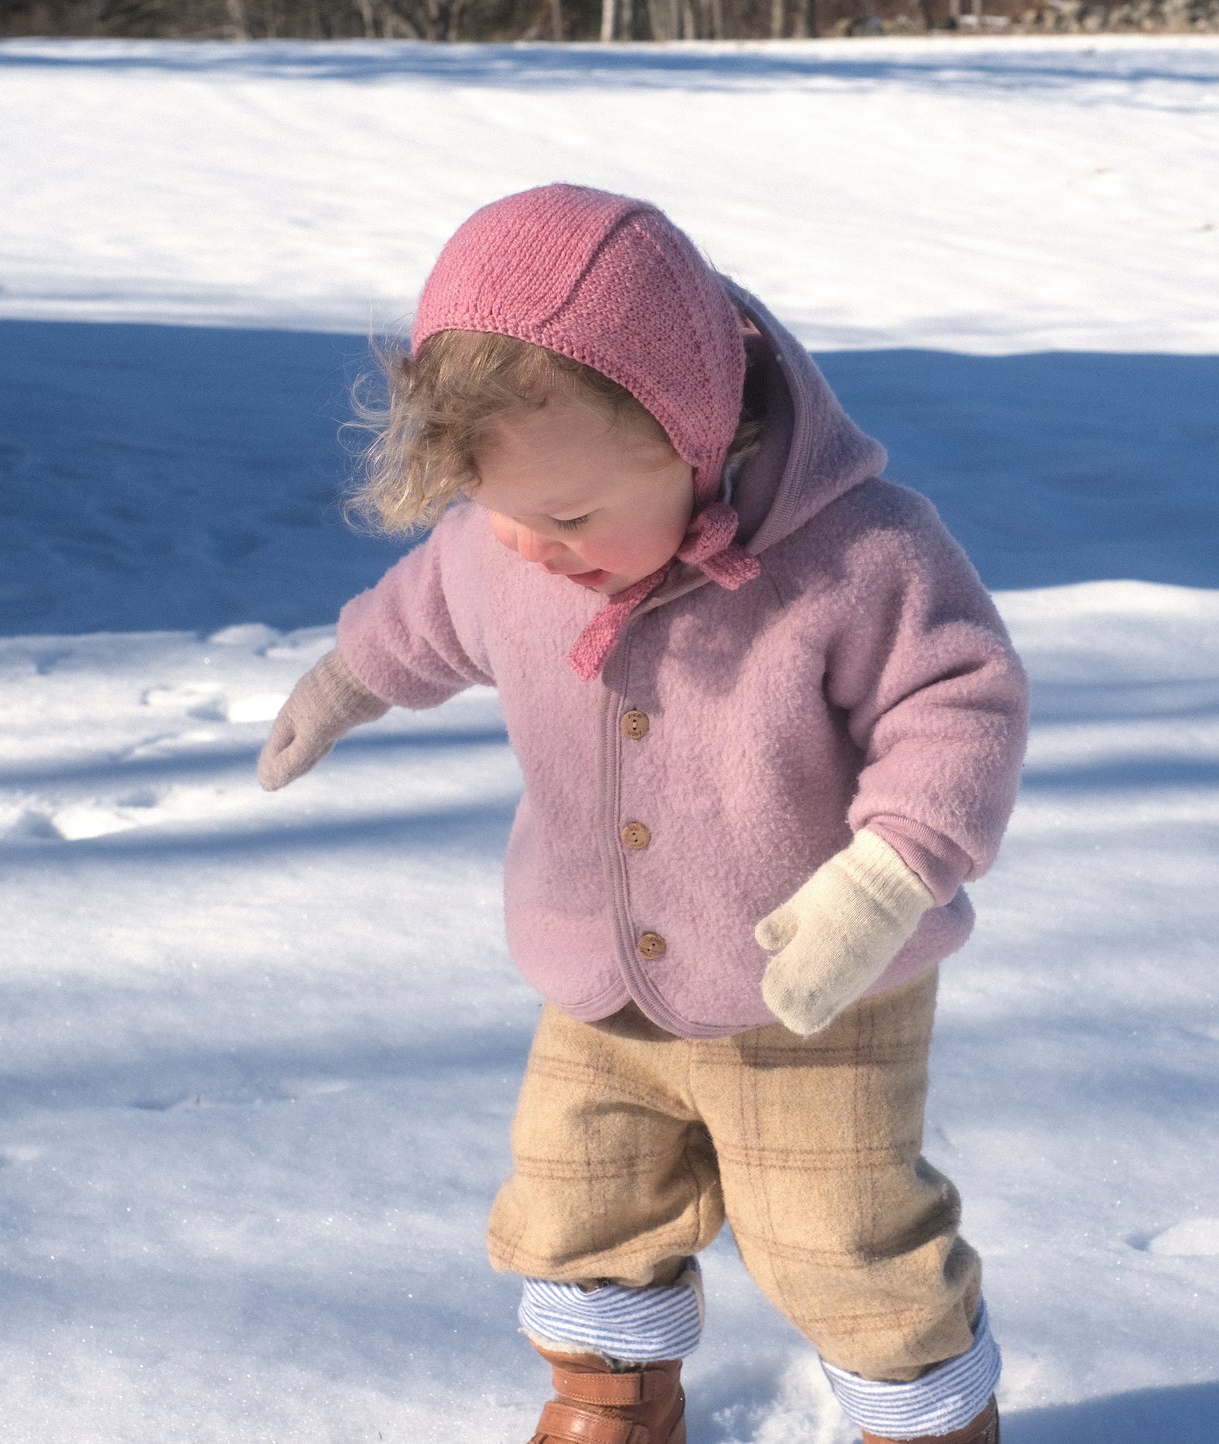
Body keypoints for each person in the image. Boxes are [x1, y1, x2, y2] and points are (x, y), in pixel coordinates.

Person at [258, 183, 1028, 1444]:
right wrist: (348, 677)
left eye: (567, 516)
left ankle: (924, 1420)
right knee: (575, 1204)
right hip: (595, 982)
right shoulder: (507, 539)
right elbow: (429, 607)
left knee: (842, 1240)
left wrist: (886, 876)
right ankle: (609, 1398)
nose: (531, 546)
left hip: (819, 992)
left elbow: (959, 708)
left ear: (695, 434)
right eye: (500, 510)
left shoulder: (860, 556)